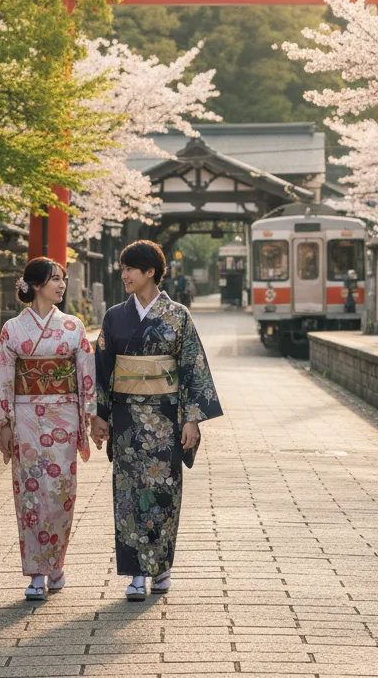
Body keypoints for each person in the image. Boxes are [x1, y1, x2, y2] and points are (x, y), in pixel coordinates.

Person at [90, 240, 222, 601]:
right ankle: (136, 574)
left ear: (150, 272)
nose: (125, 275)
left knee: (163, 494)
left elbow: (193, 368)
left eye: (131, 268)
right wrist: (98, 416)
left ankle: (160, 565)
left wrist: (192, 419)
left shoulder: (178, 315)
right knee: (129, 495)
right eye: (123, 268)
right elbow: (102, 369)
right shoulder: (115, 316)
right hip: (127, 418)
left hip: (165, 420)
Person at [0, 257, 95, 601]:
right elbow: (3, 375)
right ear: (34, 285)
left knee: (62, 491)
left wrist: (91, 415)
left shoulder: (73, 327)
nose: (61, 285)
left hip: (63, 417)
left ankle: (56, 563)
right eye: (54, 279)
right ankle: (35, 572)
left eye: (62, 279)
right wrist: (4, 423)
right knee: (30, 493)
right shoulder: (13, 329)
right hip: (26, 416)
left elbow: (85, 375)